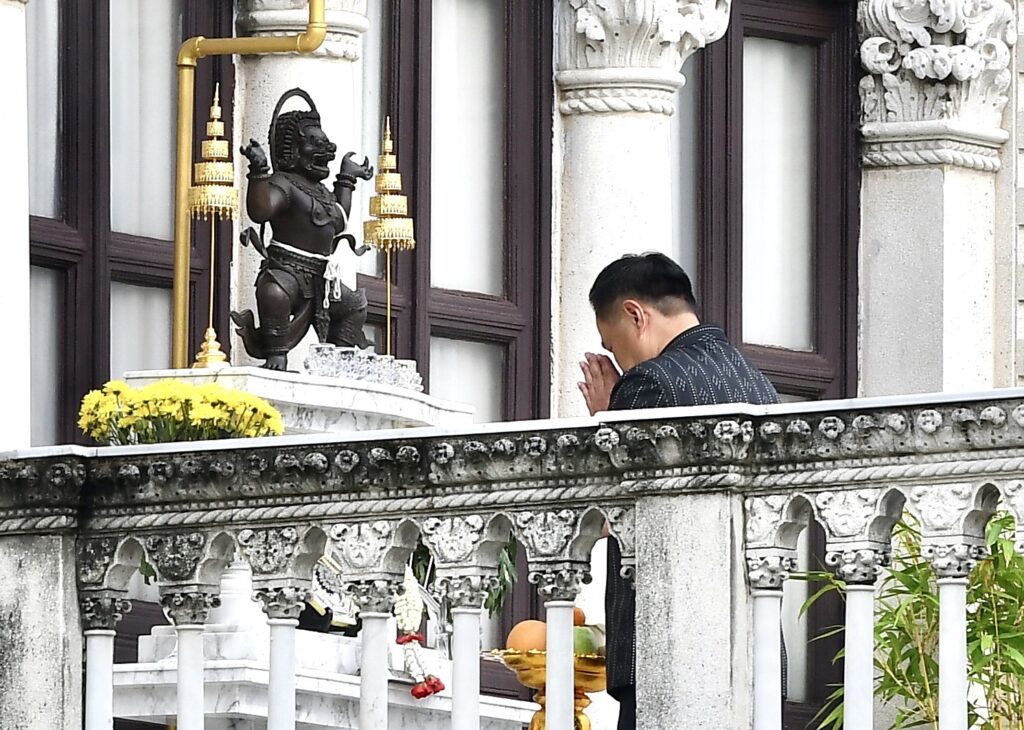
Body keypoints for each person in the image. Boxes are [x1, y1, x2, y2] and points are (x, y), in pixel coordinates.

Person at [578, 252, 779, 730]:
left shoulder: (649, 383)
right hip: (755, 654)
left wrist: (609, 418)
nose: (616, 359)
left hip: (667, 650)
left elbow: (613, 508)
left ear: (635, 315)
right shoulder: (759, 385)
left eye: (613, 344)